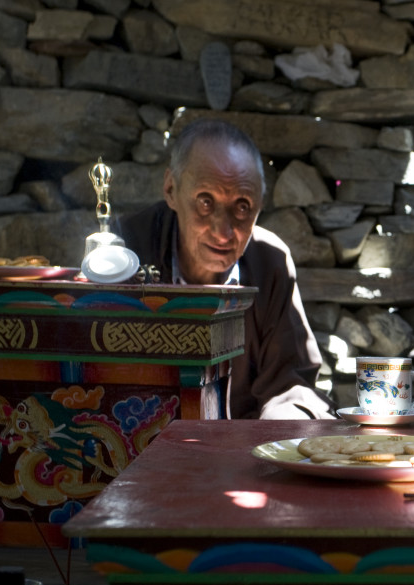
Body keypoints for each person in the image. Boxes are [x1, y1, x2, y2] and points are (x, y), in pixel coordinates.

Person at [117, 119, 334, 420]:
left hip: (240, 454)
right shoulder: (126, 252)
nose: (223, 232)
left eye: (242, 207)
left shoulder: (270, 262)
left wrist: (284, 425)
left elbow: (289, 384)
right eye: (206, 202)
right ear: (171, 190)